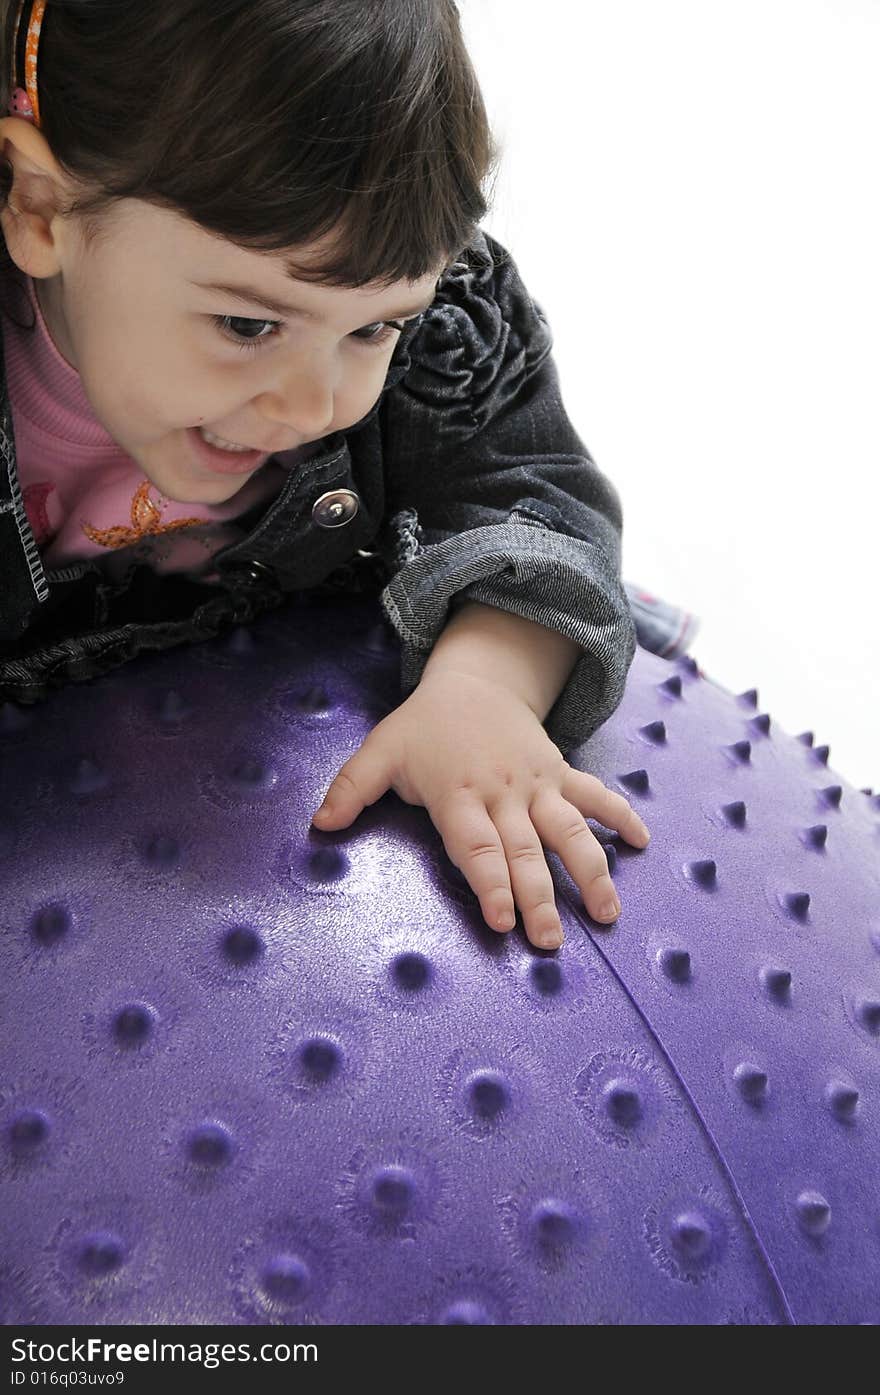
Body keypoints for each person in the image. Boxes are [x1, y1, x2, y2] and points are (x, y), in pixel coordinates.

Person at [0, 0, 694, 951]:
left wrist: (486, 687)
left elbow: (526, 487)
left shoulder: (429, 317)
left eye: (373, 329)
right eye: (247, 327)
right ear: (40, 209)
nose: (312, 404)